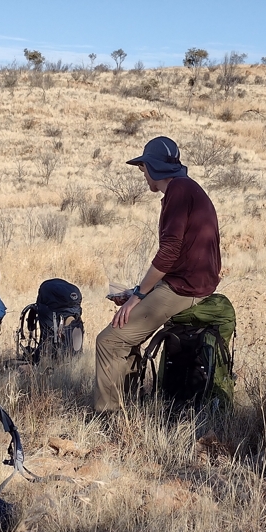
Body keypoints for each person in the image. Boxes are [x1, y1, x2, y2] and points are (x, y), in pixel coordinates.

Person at [94, 136, 221, 413]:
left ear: (151, 168)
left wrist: (137, 296)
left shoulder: (177, 192)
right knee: (126, 333)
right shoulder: (188, 188)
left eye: (143, 170)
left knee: (109, 340)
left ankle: (107, 414)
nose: (143, 176)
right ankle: (127, 403)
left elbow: (169, 252)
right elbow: (178, 255)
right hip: (190, 282)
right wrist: (138, 291)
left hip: (184, 288)